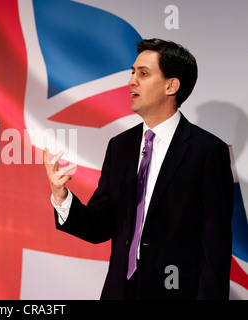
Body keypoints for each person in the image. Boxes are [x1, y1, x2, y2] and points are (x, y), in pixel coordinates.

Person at [43, 38, 234, 300]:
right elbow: (100, 226)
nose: (131, 81)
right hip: (120, 291)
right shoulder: (120, 147)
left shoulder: (207, 151)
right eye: (132, 72)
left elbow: (216, 247)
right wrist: (62, 197)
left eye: (143, 74)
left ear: (171, 85)